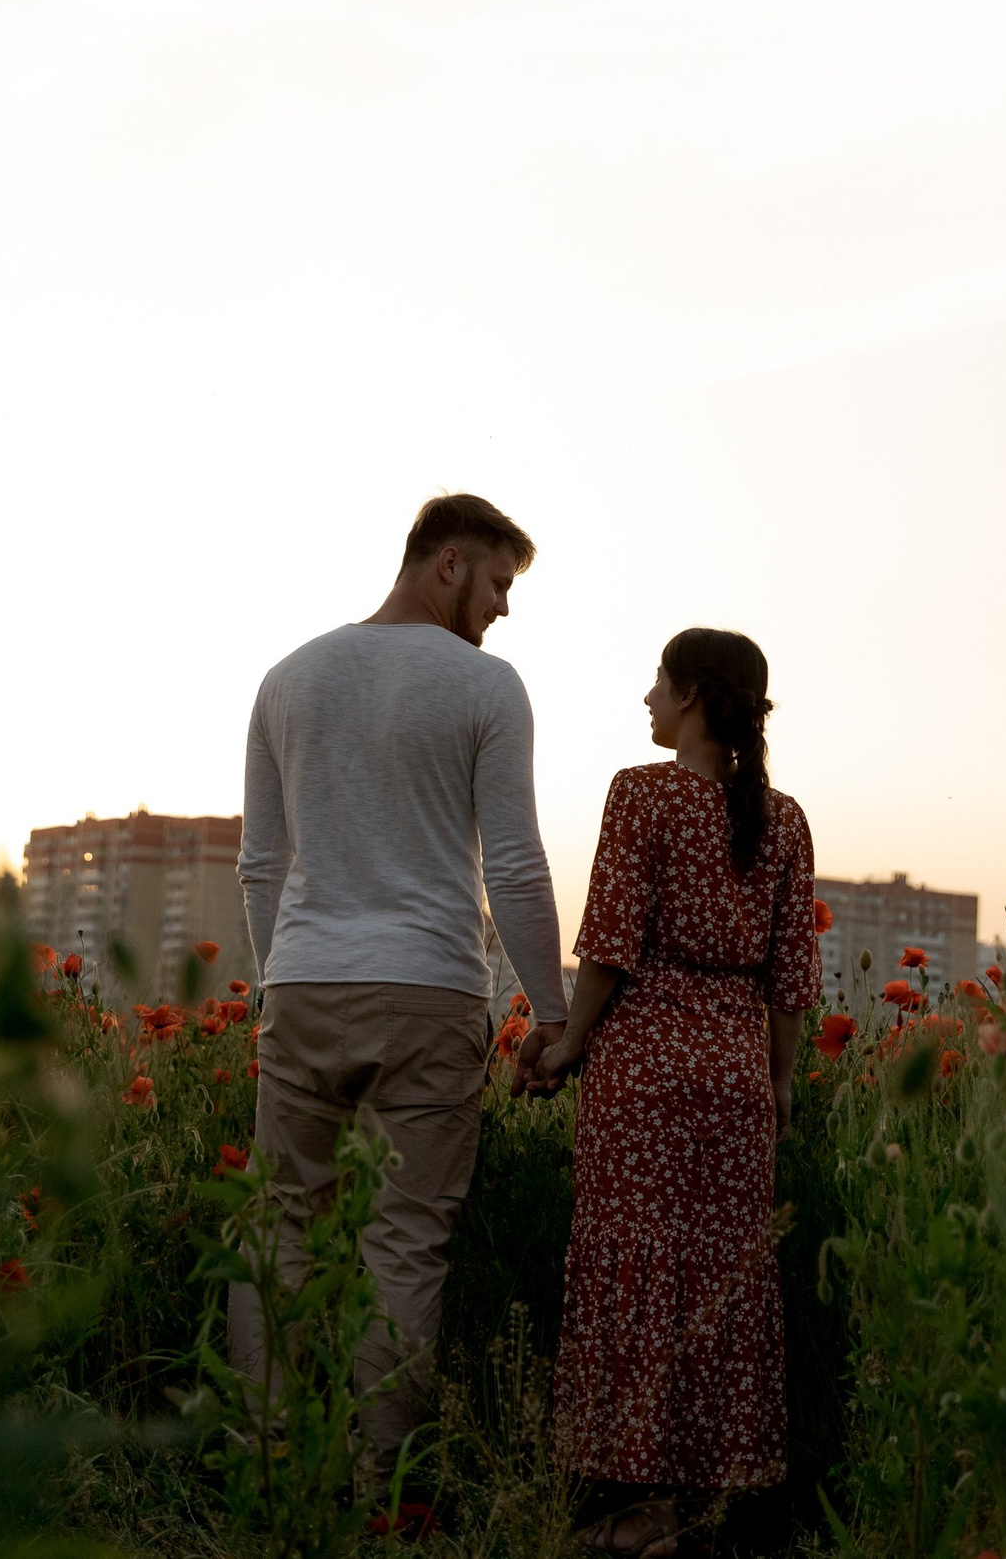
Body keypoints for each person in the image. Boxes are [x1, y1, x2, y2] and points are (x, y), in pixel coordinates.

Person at [233, 493, 570, 1463]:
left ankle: (266, 1461)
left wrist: (279, 981)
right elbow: (514, 867)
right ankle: (379, 1482)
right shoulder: (487, 686)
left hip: (302, 986)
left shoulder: (287, 678)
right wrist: (552, 1014)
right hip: (428, 992)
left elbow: (261, 865)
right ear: (448, 563)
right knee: (405, 1241)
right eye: (498, 582)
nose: (503, 607)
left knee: (279, 1228)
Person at [532, 628, 820, 1555]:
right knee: (719, 1274)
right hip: (736, 1074)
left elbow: (610, 941)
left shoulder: (641, 793)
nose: (648, 698)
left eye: (657, 683)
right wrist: (778, 1082)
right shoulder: (785, 819)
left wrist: (570, 1040)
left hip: (645, 1071)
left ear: (691, 693)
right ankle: (701, 1504)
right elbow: (791, 976)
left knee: (638, 1266)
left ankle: (643, 1500)